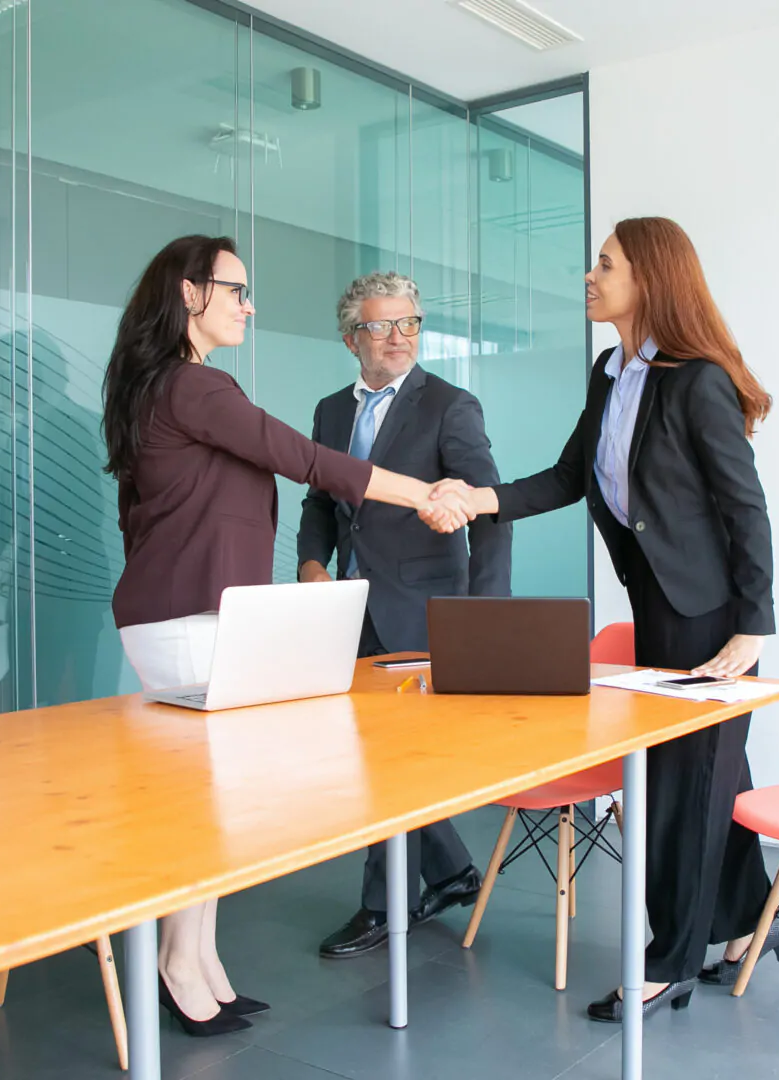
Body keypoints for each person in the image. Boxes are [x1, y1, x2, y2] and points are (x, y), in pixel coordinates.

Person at [103, 235, 471, 1038]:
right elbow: (305, 460)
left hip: (185, 612)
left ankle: (197, 961)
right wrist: (428, 495)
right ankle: (178, 965)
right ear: (190, 293)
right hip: (188, 617)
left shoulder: (163, 384)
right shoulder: (193, 385)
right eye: (236, 290)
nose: (249, 305)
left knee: (206, 803)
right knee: (201, 807)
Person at [430, 216, 779, 1023]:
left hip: (714, 616)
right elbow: (571, 475)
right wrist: (482, 500)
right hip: (655, 603)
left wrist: (753, 625)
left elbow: (746, 507)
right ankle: (751, 923)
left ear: (649, 278)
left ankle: (669, 962)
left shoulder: (697, 380)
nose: (590, 277)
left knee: (683, 788)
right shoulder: (610, 372)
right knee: (712, 775)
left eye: (606, 265)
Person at [299, 271, 513, 959]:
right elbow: (319, 501)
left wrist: (484, 619)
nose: (399, 338)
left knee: (389, 762)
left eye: (409, 323)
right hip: (350, 609)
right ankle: (449, 870)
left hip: (424, 609)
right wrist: (311, 563)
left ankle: (382, 906)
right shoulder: (331, 411)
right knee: (371, 756)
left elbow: (490, 509)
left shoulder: (450, 405)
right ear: (350, 338)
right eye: (381, 326)